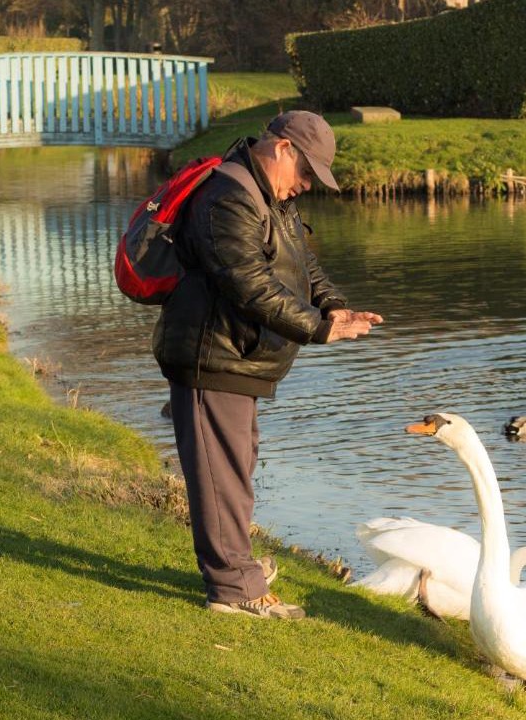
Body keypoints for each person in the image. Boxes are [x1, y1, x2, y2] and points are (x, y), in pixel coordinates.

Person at [153, 110, 382, 619]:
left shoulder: (266, 194)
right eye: (306, 172)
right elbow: (249, 285)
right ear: (282, 149)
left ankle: (235, 569)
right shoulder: (228, 197)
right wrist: (318, 328)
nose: (307, 185)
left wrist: (332, 305)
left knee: (236, 467)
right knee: (221, 476)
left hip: (237, 357)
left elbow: (301, 261)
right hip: (211, 355)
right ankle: (234, 590)